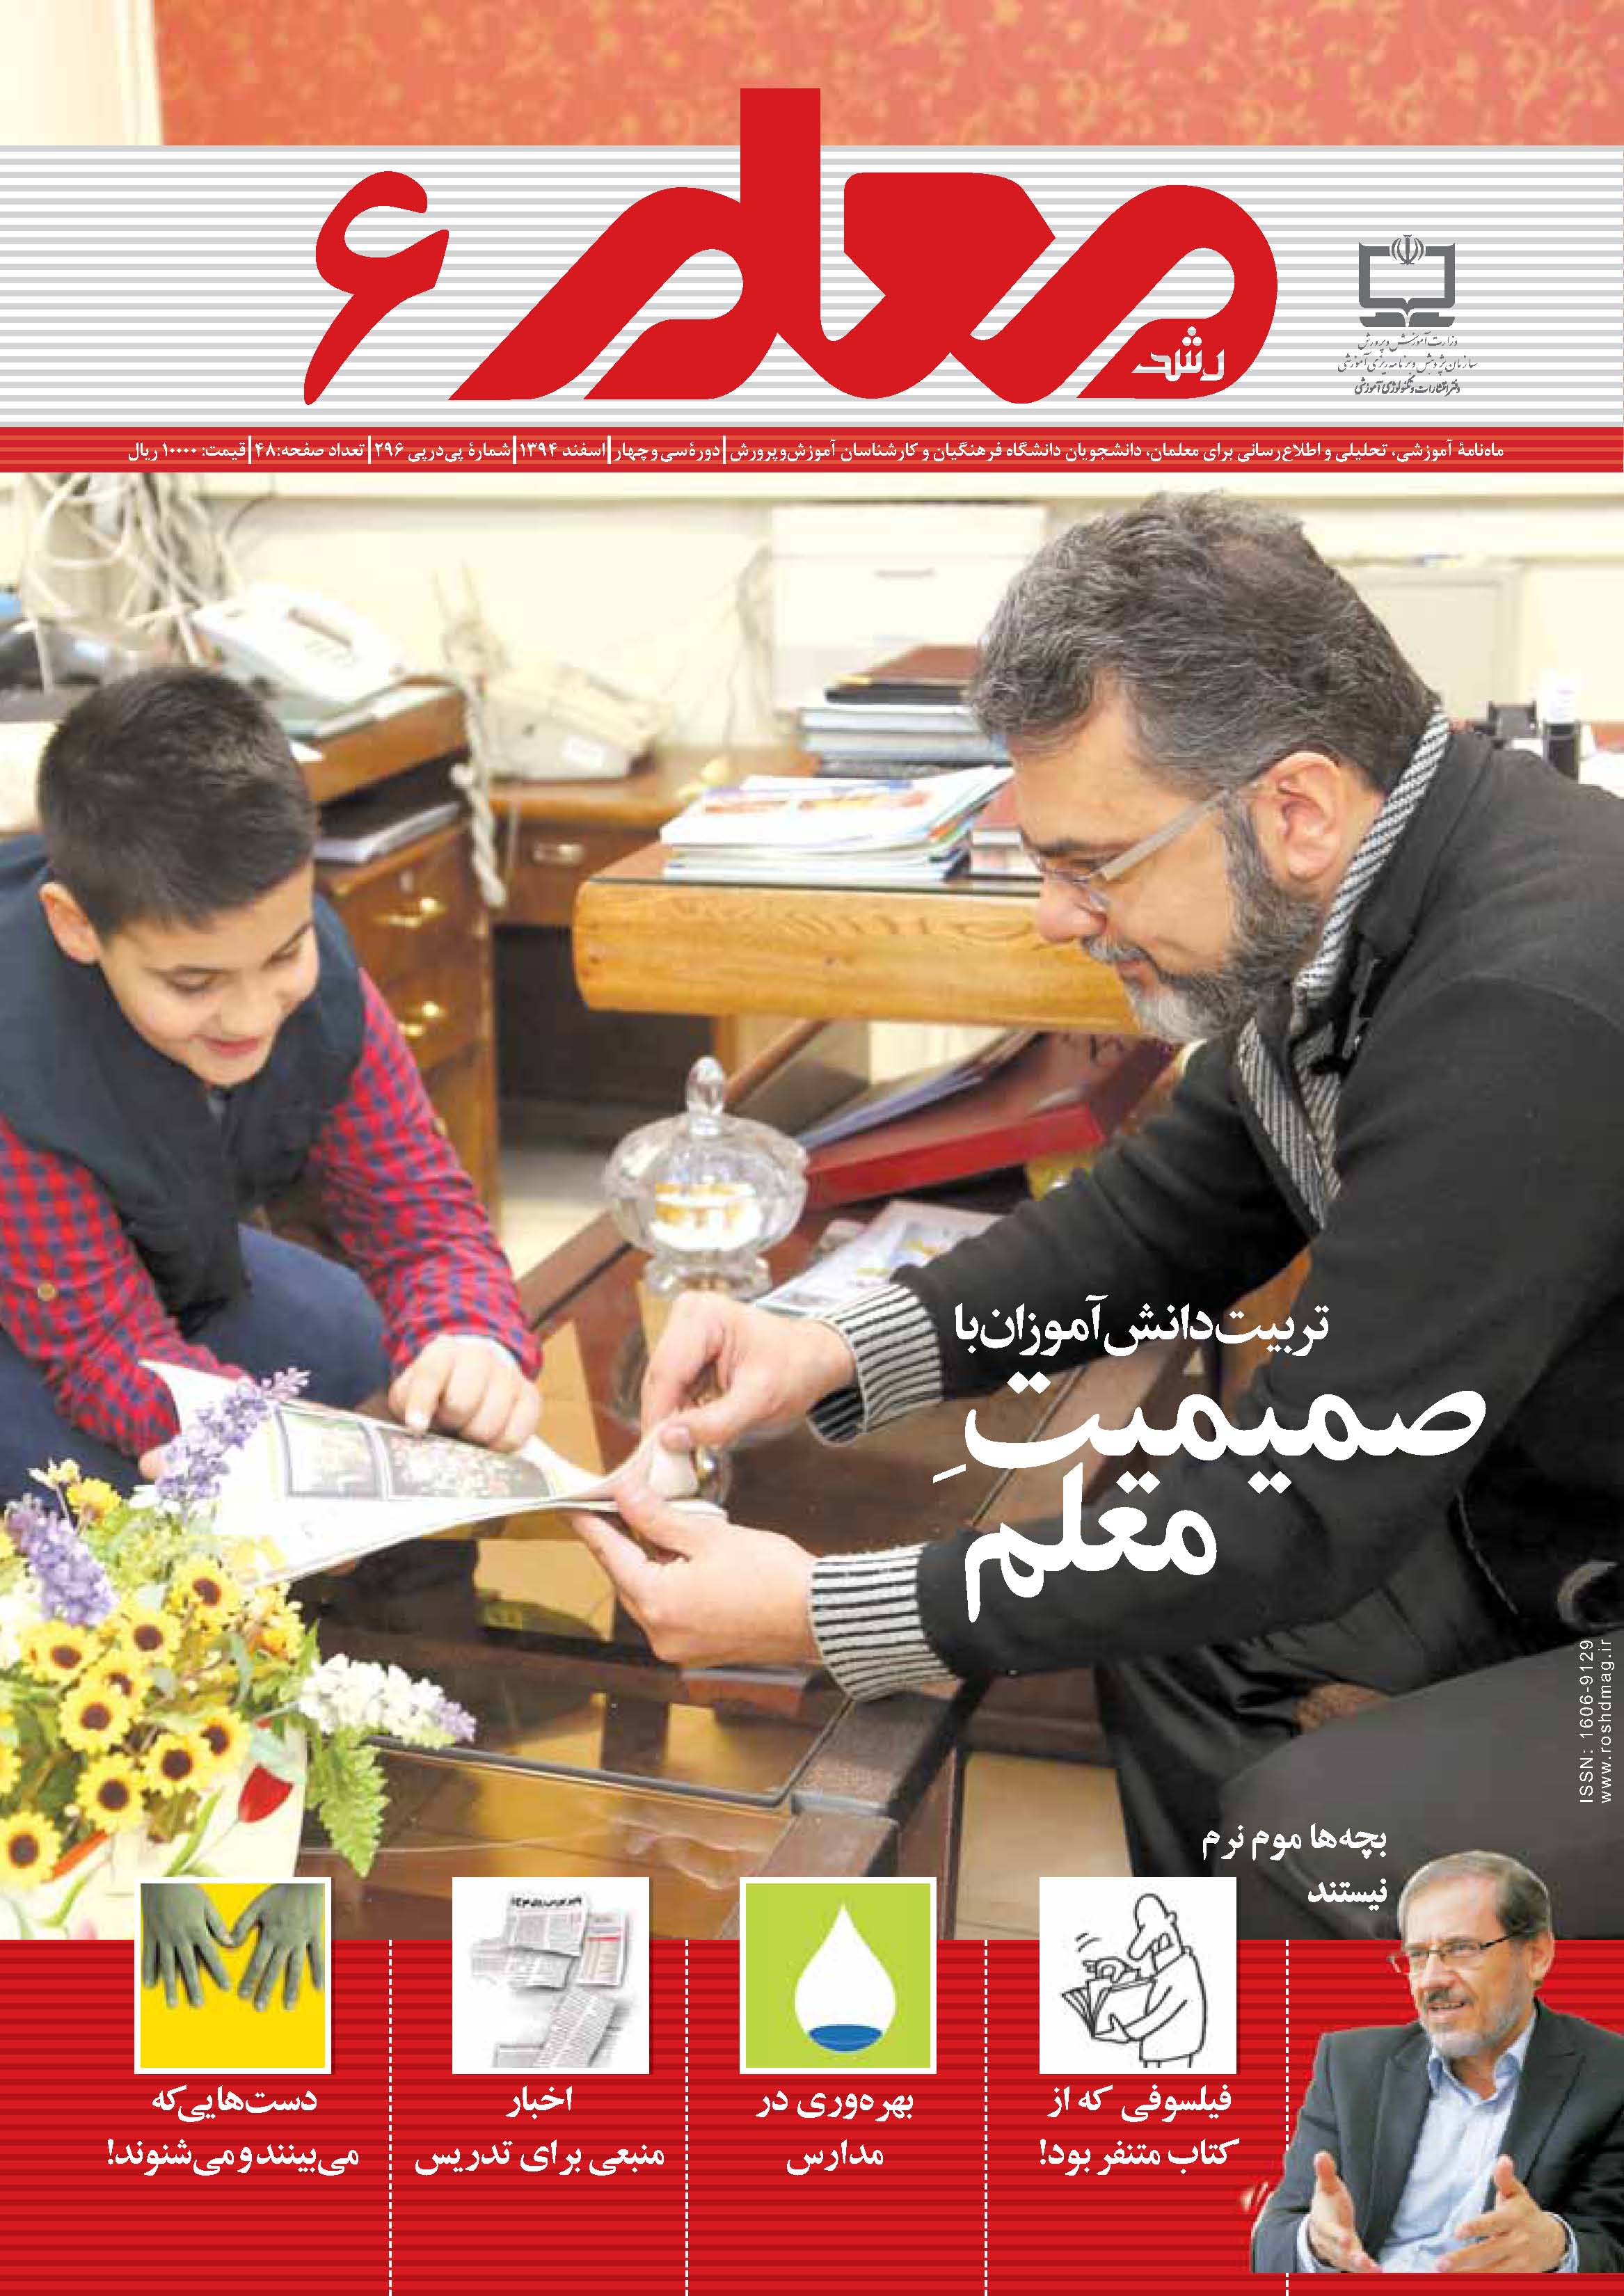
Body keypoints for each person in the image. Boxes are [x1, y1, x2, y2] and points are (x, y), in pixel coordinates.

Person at [568, 493, 1624, 1895]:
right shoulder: (1367, 891)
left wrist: (827, 1609)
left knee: (1317, 1837)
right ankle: (1228, 2013)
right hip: (1529, 1516)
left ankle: (1316, 2017)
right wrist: (824, 1348)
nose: (1056, 916)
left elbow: (1301, 1506)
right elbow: (1163, 1217)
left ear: (1294, 808)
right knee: (1166, 1637)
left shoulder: (1520, 1006)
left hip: (1569, 1564)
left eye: (1088, 866)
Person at [0, 665, 539, 1503]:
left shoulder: (311, 975)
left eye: (286, 953)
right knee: (120, 1513)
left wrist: (471, 1336)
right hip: (36, 1312)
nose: (253, 1013)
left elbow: (423, 1220)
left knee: (371, 1364)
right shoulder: (20, 1048)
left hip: (180, 1257)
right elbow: (101, 1350)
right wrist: (276, 1448)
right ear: (76, 927)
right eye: (194, 983)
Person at [1252, 1851, 1624, 2274]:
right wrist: (1317, 2244)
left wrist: (1560, 2249)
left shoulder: (1610, 2077)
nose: (1431, 1980)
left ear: (1537, 1955)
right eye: (1417, 1955)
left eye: (1461, 1949)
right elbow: (1272, 2244)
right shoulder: (1350, 2067)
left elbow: (1612, 2244)